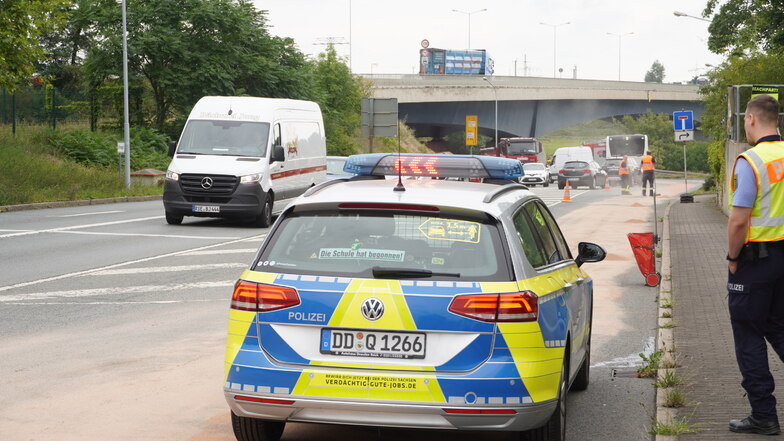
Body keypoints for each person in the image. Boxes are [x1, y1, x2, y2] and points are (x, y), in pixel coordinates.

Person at [726, 93, 784, 435]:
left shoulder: (752, 161)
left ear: (750, 119)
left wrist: (733, 258)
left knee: (748, 333)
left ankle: (763, 415)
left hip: (755, 260)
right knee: (778, 325)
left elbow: (738, 221)